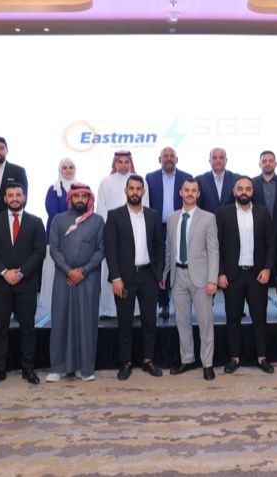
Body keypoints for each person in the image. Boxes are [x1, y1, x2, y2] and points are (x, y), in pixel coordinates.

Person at [0, 182, 46, 387]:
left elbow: (40, 252)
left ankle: (28, 369)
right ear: (5, 198)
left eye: (18, 195)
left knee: (28, 328)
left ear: (24, 197)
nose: (15, 199)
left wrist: (21, 272)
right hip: (0, 284)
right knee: (0, 328)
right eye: (11, 195)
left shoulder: (36, 222)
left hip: (26, 284)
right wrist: (4, 272)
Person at [104, 175, 166, 381]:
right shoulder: (114, 215)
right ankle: (126, 363)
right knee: (125, 323)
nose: (135, 192)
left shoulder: (152, 215)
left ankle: (148, 360)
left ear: (143, 192)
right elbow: (110, 250)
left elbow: (159, 245)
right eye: (131, 188)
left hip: (148, 276)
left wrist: (159, 272)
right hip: (124, 278)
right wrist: (116, 277)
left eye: (138, 189)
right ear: (126, 191)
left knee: (150, 321)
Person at [46, 183, 105, 383]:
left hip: (89, 278)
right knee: (60, 320)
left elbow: (101, 249)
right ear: (70, 198)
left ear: (89, 199)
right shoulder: (59, 219)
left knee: (86, 322)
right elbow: (54, 249)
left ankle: (85, 368)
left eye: (84, 196)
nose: (80, 199)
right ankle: (58, 367)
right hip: (63, 277)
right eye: (76, 196)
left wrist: (84, 271)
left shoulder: (97, 221)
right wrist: (69, 271)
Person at [216, 176, 275, 374]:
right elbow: (217, 245)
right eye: (240, 188)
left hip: (257, 275)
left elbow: (270, 242)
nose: (244, 192)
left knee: (260, 318)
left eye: (248, 188)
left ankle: (262, 358)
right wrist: (220, 272)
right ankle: (234, 358)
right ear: (234, 191)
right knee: (233, 318)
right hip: (232, 276)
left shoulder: (262, 212)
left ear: (252, 191)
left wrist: (267, 268)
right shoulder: (223, 213)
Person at [166, 179, 220, 381]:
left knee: (205, 323)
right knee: (182, 322)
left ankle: (207, 363)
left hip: (201, 278)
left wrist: (212, 279)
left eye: (193, 190)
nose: (189, 193)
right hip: (177, 276)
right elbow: (169, 248)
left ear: (198, 194)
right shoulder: (172, 218)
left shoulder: (208, 218)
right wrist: (165, 274)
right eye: (186, 190)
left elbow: (213, 250)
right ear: (180, 192)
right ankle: (187, 359)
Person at [97, 151, 149, 319]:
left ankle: (136, 311)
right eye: (120, 161)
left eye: (127, 161)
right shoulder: (105, 182)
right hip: (113, 234)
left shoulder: (140, 181)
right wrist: (108, 232)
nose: (123, 165)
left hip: (136, 234)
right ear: (115, 163)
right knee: (113, 270)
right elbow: (101, 209)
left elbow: (145, 208)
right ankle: (108, 310)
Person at [146, 146, 192, 320]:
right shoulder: (150, 178)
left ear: (176, 159)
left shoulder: (186, 177)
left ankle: (183, 303)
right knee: (161, 265)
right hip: (158, 227)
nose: (168, 158)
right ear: (160, 160)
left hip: (181, 226)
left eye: (172, 156)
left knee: (180, 263)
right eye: (165, 156)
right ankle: (163, 304)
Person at [252, 150, 277, 316]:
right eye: (264, 161)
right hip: (258, 234)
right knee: (260, 268)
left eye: (270, 160)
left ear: (275, 163)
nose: (267, 163)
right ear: (259, 164)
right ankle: (259, 306)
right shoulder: (252, 183)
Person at [40, 157, 79, 315]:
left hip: (78, 236)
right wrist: (69, 228)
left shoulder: (81, 188)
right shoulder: (53, 189)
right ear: (60, 170)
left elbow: (87, 210)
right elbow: (53, 213)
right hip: (57, 236)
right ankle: (54, 305)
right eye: (65, 167)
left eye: (71, 167)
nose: (68, 170)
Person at [196, 147, 239, 213]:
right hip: (207, 219)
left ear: (226, 160)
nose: (218, 160)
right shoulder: (200, 180)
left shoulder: (236, 179)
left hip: (230, 219)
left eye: (221, 157)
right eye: (214, 158)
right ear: (209, 161)